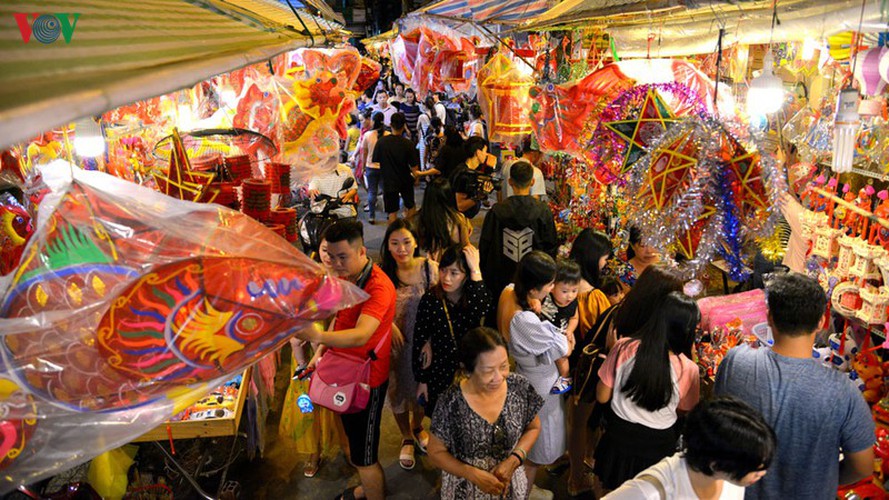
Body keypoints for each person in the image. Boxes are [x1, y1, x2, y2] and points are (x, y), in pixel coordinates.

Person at [714, 272, 875, 499]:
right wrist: (823, 480)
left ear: (769, 317)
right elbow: (863, 467)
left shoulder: (735, 361)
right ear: (822, 322)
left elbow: (718, 425)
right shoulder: (844, 393)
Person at [293, 221, 395, 500]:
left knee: (365, 456)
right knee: (357, 443)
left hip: (366, 381)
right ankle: (367, 488)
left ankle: (373, 491)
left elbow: (361, 335)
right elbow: (340, 320)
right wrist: (318, 355)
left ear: (362, 251)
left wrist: (316, 335)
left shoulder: (377, 287)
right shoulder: (350, 278)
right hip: (344, 373)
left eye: (342, 257)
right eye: (329, 255)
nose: (335, 263)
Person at [594, 292, 701, 491]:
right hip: (659, 446)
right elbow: (685, 410)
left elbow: (601, 396)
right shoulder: (688, 369)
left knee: (608, 489)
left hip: (618, 437)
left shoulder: (624, 347)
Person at [428, 327, 543, 499]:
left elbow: (534, 427)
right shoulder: (450, 402)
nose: (498, 377)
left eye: (504, 366)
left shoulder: (519, 387)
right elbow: (435, 452)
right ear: (467, 370)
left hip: (510, 486)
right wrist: (471, 474)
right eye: (489, 371)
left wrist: (514, 459)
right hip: (465, 490)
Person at [605, 396, 776, 499]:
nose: (762, 473)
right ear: (715, 464)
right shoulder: (651, 490)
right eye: (753, 469)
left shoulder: (732, 483)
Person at [505, 251, 570, 494]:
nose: (553, 288)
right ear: (534, 289)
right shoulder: (524, 321)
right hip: (540, 386)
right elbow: (563, 347)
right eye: (550, 284)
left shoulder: (509, 292)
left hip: (532, 379)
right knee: (531, 454)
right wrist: (562, 338)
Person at [379, 219, 438, 471]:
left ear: (416, 243)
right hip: (396, 348)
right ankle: (406, 435)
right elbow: (372, 307)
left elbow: (442, 304)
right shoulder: (382, 274)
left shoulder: (430, 269)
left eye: (406, 242)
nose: (401, 249)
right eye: (395, 243)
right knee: (398, 390)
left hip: (426, 345)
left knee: (422, 390)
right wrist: (387, 324)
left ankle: (417, 426)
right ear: (387, 246)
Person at [564, 228, 615, 495]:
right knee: (582, 423)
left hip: (566, 365)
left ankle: (575, 463)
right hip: (587, 373)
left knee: (575, 421)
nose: (605, 264)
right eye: (604, 258)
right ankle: (576, 477)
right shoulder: (594, 297)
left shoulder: (564, 285)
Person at [413, 244, 491, 415]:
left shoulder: (473, 296)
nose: (446, 278)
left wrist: (475, 269)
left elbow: (482, 308)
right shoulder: (430, 299)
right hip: (439, 370)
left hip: (469, 370)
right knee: (440, 421)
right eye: (443, 270)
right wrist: (422, 380)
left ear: (466, 276)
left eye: (454, 273)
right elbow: (420, 339)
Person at [479, 160, 558, 302]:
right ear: (532, 182)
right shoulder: (543, 211)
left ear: (510, 182)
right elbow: (551, 246)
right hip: (534, 279)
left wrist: (487, 277)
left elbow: (485, 246)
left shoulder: (497, 211)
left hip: (501, 278)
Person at [539, 259, 582, 395]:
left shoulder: (572, 303)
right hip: (544, 331)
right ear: (552, 287)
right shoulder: (545, 298)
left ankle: (565, 378)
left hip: (560, 333)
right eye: (564, 291)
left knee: (562, 357)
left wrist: (569, 331)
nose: (570, 296)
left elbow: (574, 318)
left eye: (574, 290)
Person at [373, 112, 420, 223]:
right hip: (405, 180)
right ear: (404, 125)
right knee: (411, 206)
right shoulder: (408, 144)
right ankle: (407, 227)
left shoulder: (381, 142)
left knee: (392, 212)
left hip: (388, 181)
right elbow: (414, 166)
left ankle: (392, 235)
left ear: (390, 124)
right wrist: (417, 179)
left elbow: (376, 162)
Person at [416, 177, 471, 262]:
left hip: (425, 266)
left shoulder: (419, 220)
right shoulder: (458, 218)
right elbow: (466, 246)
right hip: (452, 264)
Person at [451, 136, 496, 219]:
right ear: (478, 152)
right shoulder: (463, 174)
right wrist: (480, 196)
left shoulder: (471, 170)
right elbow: (460, 206)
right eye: (485, 151)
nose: (486, 155)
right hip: (458, 220)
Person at [358, 112, 386, 224]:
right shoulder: (387, 134)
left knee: (371, 192)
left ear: (373, 121)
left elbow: (364, 153)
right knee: (385, 191)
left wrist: (363, 166)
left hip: (371, 167)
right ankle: (389, 213)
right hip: (384, 167)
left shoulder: (368, 135)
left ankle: (371, 216)